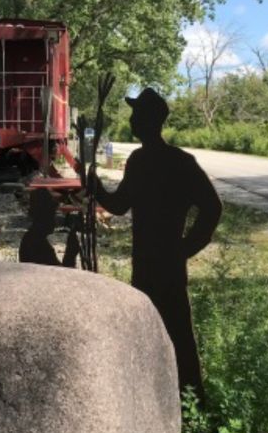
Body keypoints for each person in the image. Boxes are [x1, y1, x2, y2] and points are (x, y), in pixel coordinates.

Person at [91, 88, 222, 404]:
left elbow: (212, 207)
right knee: (163, 329)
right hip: (153, 262)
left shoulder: (166, 162)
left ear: (149, 120)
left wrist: (186, 248)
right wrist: (96, 188)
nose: (133, 119)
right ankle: (172, 397)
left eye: (137, 114)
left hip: (160, 262)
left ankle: (184, 399)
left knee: (170, 329)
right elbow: (121, 204)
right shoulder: (155, 161)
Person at [19, 188, 80, 268]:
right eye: (51, 215)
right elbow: (60, 275)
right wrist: (70, 253)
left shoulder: (33, 239)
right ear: (43, 217)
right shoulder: (37, 245)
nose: (54, 221)